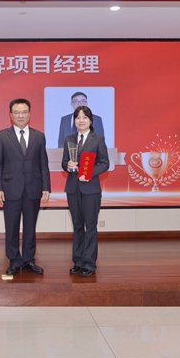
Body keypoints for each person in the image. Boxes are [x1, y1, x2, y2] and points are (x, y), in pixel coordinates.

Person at [0, 98, 51, 276]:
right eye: (17, 112)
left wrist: (46, 187)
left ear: (29, 114)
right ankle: (14, 261)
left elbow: (43, 164)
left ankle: (28, 260)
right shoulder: (2, 136)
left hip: (33, 188)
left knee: (30, 228)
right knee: (11, 227)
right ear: (11, 115)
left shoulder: (39, 136)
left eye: (24, 112)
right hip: (10, 189)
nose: (20, 115)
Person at [61, 106, 109, 277]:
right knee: (77, 226)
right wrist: (68, 165)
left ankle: (89, 263)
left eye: (84, 117)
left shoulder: (98, 139)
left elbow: (105, 163)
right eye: (78, 117)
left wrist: (89, 173)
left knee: (90, 226)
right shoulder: (69, 139)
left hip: (91, 189)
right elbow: (64, 162)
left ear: (90, 120)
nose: (81, 120)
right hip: (73, 188)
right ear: (74, 121)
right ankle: (78, 261)